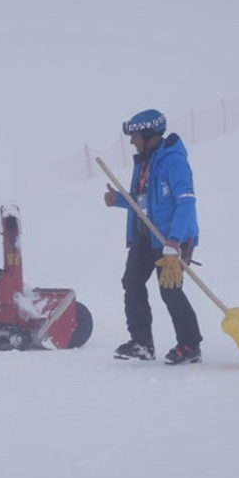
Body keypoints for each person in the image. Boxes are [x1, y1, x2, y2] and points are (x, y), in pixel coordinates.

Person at [104, 109, 203, 364]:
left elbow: (186, 201)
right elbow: (143, 202)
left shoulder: (173, 161)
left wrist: (175, 241)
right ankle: (142, 343)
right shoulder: (144, 162)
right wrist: (120, 201)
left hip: (172, 239)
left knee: (170, 290)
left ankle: (190, 346)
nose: (131, 141)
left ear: (148, 134)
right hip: (145, 237)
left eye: (135, 135)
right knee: (132, 283)